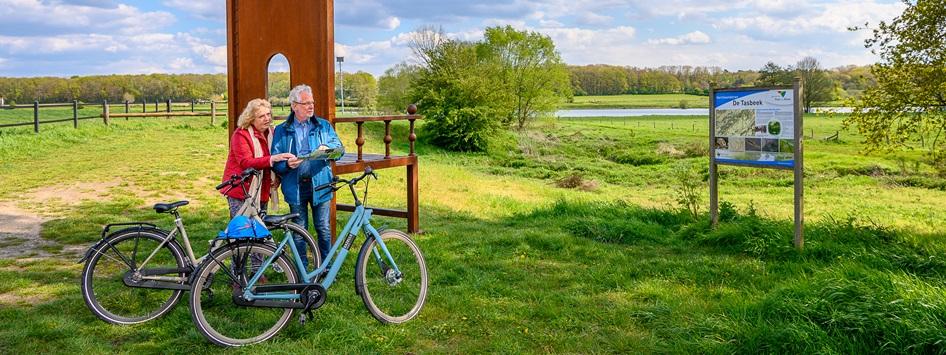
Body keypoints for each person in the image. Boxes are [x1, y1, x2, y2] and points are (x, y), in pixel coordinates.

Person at [271, 84, 344, 268]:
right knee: (299, 231)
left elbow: (340, 150)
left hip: (320, 183)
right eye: (306, 103)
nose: (310, 106)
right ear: (294, 106)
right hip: (295, 186)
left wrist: (327, 151)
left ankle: (326, 268)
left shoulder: (324, 126)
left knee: (324, 228)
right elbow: (275, 162)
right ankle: (302, 271)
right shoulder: (282, 130)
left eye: (312, 102)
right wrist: (286, 164)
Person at [219, 98, 294, 218]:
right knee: (243, 230)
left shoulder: (271, 133)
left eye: (268, 114)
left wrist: (278, 177)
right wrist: (272, 159)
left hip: (262, 188)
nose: (267, 119)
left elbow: (274, 160)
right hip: (241, 188)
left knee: (259, 229)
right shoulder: (241, 135)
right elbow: (245, 162)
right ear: (251, 119)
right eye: (261, 116)